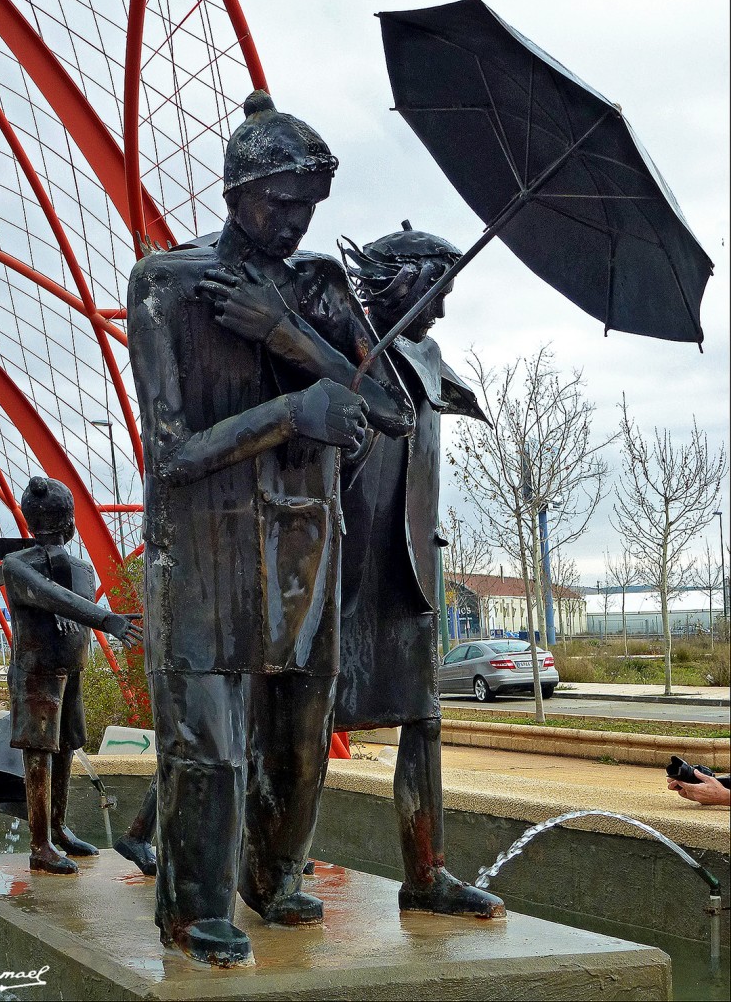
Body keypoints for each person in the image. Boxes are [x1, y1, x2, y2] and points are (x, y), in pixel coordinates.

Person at [128, 90, 412, 966]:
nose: (293, 222)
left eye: (309, 207)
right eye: (278, 202)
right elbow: (171, 455)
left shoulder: (318, 285)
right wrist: (293, 411)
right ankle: (192, 909)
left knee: (296, 739)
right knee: (207, 745)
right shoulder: (168, 284)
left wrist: (290, 336)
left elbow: (391, 408)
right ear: (234, 190)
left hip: (304, 547)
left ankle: (274, 878)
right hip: (205, 550)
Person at [331, 224, 505, 918]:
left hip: (407, 564)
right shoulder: (339, 340)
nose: (441, 308)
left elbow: (452, 398)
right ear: (401, 278)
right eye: (438, 289)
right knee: (297, 721)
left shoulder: (425, 351)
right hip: (341, 558)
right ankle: (266, 872)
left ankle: (425, 873)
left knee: (423, 718)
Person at [2, 476, 142, 874]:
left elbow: (67, 598)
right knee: (39, 754)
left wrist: (78, 614)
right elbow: (51, 595)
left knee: (64, 748)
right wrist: (105, 618)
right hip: (36, 671)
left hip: (72, 667)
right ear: (71, 523)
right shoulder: (17, 566)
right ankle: (39, 843)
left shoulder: (78, 567)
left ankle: (58, 827)